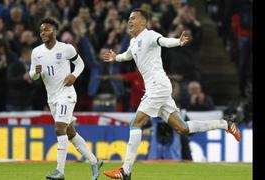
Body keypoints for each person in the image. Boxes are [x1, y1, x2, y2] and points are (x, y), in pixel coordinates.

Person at [102, 9, 240, 179]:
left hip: (157, 87)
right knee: (183, 128)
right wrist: (116, 58)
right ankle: (225, 124)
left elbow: (164, 41)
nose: (129, 21)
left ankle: (126, 171)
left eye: (133, 18)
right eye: (129, 19)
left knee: (135, 124)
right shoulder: (133, 42)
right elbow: (128, 56)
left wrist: (178, 41)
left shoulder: (150, 35)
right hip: (158, 88)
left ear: (143, 22)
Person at [29, 18, 103, 180]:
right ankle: (94, 161)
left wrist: (74, 75)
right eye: (41, 30)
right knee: (70, 133)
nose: (43, 33)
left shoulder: (66, 49)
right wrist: (35, 72)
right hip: (52, 98)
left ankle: (60, 171)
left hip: (67, 94)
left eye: (47, 30)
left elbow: (81, 64)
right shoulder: (36, 52)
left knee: (59, 129)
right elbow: (32, 75)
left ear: (54, 31)